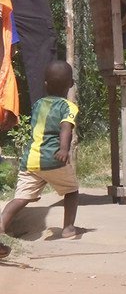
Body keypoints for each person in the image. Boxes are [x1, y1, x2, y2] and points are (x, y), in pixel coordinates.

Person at [0, 61, 80, 246]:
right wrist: (64, 149)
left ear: (45, 83)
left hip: (31, 161)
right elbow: (65, 128)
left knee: (21, 198)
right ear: (70, 84)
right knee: (72, 191)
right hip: (54, 160)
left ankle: (2, 224)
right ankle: (68, 227)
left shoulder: (37, 105)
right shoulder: (68, 107)